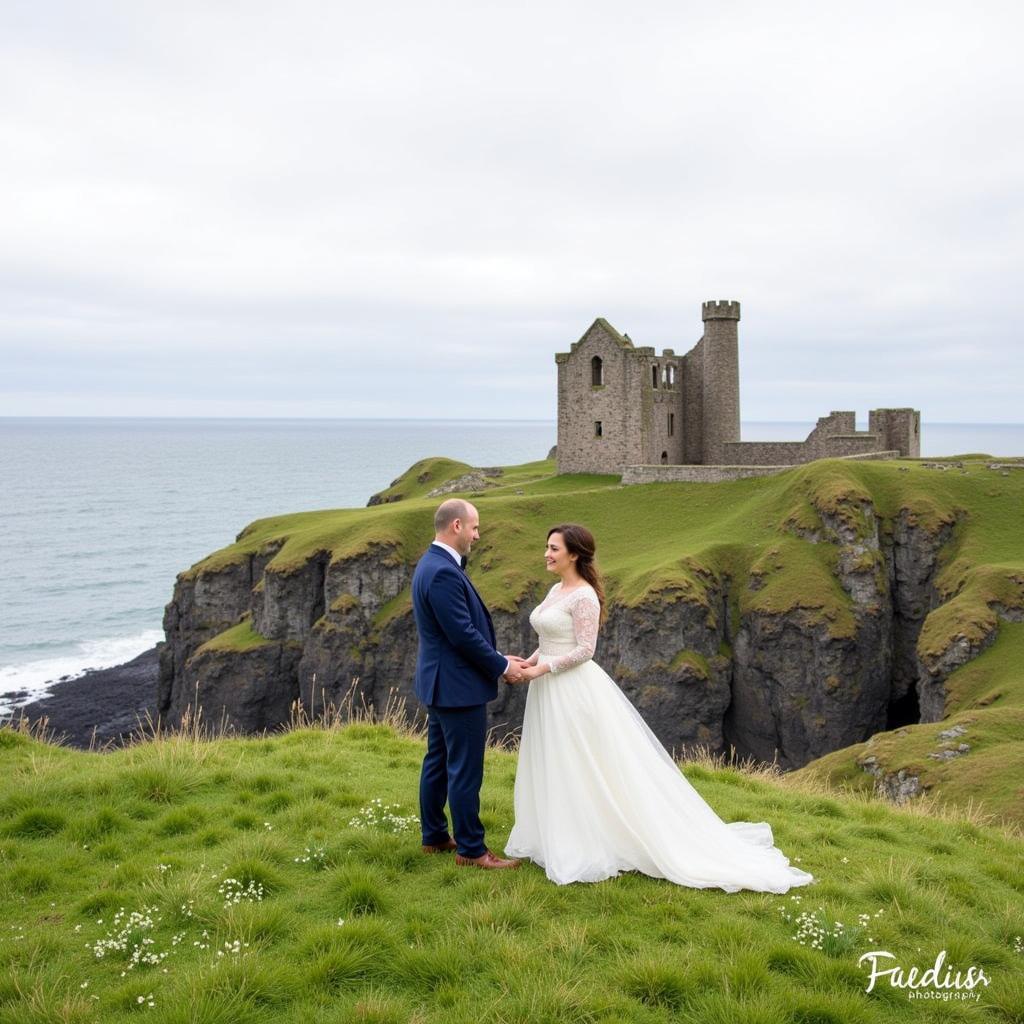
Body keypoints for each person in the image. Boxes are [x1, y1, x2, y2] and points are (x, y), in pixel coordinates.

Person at [503, 523, 815, 892]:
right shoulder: (556, 589)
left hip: (571, 689)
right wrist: (529, 661)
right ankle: (555, 834)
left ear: (574, 554)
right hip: (548, 686)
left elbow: (586, 649)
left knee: (580, 760)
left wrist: (541, 669)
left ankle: (593, 838)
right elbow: (553, 638)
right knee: (553, 757)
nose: (546, 554)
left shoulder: (584, 596)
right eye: (547, 546)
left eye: (554, 548)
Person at [412, 498, 525, 870]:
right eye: (474, 528)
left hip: (441, 683)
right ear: (456, 526)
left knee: (439, 762)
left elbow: (455, 633)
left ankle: (434, 836)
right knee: (464, 768)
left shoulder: (431, 564)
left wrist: (499, 659)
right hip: (457, 687)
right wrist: (499, 665)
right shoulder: (443, 571)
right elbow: (461, 634)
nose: (477, 535)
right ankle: (472, 850)